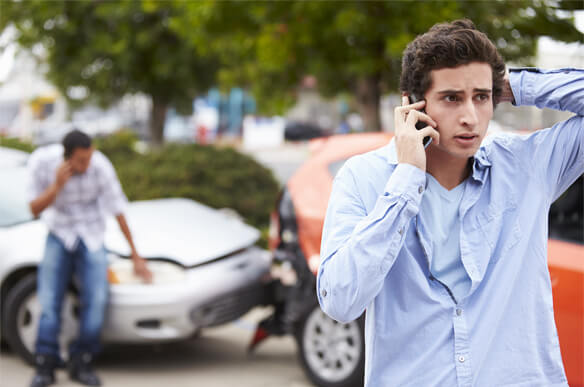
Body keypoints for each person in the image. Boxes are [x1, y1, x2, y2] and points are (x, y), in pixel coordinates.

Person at [317, 19, 583, 386]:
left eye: (481, 97)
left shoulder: (526, 166)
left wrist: (511, 84)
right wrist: (406, 179)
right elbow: (340, 301)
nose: (471, 117)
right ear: (411, 105)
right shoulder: (365, 178)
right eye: (452, 98)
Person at [27, 129, 153, 387]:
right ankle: (45, 363)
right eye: (81, 161)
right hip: (59, 232)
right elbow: (34, 209)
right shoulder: (42, 162)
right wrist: (57, 185)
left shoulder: (100, 166)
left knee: (96, 298)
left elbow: (118, 208)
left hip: (92, 233)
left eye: (89, 158)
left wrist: (136, 254)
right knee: (49, 300)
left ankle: (82, 360)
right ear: (66, 157)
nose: (87, 164)